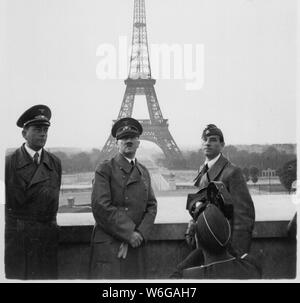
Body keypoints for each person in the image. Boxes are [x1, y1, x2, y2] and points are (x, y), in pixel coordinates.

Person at [172, 124, 255, 277]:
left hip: (223, 252)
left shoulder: (232, 172)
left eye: (213, 140)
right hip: (205, 245)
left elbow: (244, 217)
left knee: (178, 274)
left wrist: (238, 254)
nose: (207, 143)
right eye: (204, 140)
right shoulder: (203, 169)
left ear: (222, 145)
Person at [89, 117, 157, 279]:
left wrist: (138, 234)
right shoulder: (104, 169)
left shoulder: (143, 171)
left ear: (138, 142)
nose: (128, 141)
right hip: (111, 243)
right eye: (124, 138)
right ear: (116, 143)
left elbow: (151, 206)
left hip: (135, 243)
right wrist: (128, 233)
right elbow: (100, 205)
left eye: (132, 137)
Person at [5, 105, 62, 279]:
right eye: (37, 129)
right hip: (20, 240)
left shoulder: (55, 163)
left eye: (45, 130)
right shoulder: (8, 163)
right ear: (24, 133)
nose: (43, 134)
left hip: (46, 239)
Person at [183, 203, 261, 279]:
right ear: (228, 233)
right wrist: (220, 233)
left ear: (198, 242)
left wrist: (196, 238)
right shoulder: (252, 267)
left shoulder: (192, 276)